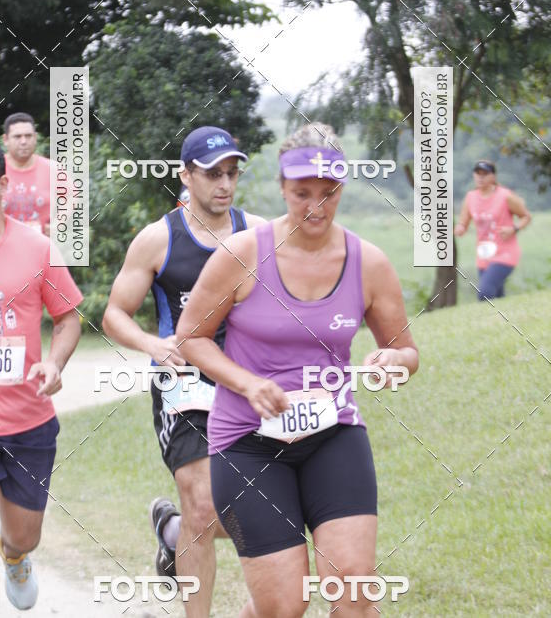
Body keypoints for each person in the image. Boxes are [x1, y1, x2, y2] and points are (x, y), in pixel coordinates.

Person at [176, 123, 419, 618]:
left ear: (342, 188)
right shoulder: (242, 254)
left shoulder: (368, 262)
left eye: (328, 193)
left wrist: (394, 360)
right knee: (283, 607)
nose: (315, 205)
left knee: (354, 595)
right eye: (301, 192)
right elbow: (190, 337)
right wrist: (247, 383)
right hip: (246, 441)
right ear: (282, 188)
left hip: (333, 435)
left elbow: (406, 351)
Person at [102, 126, 264, 618]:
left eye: (232, 173)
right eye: (213, 173)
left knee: (246, 511)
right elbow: (113, 313)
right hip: (182, 383)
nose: (224, 184)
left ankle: (171, 533)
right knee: (202, 504)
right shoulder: (158, 239)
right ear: (185, 176)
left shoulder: (256, 232)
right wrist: (153, 344)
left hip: (240, 379)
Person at [0, 136, 82, 615]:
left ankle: (16, 556)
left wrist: (54, 362)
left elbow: (67, 317)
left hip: (29, 421)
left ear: (3, 185)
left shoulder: (37, 249)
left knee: (22, 534)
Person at [455, 159, 531, 300]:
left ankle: (483, 320)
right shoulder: (470, 197)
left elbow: (526, 217)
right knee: (497, 296)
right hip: (484, 255)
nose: (480, 177)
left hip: (505, 254)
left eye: (485, 174)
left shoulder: (505, 196)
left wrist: (514, 228)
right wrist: (460, 228)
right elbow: (463, 222)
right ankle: (503, 320)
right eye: (478, 173)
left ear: (493, 177)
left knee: (484, 293)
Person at [3, 112, 52, 235]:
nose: (23, 141)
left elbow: (73, 198)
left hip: (42, 247)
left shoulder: (53, 169)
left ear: (35, 138)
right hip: (1, 246)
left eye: (28, 136)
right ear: (6, 139)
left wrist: (60, 223)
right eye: (17, 136)